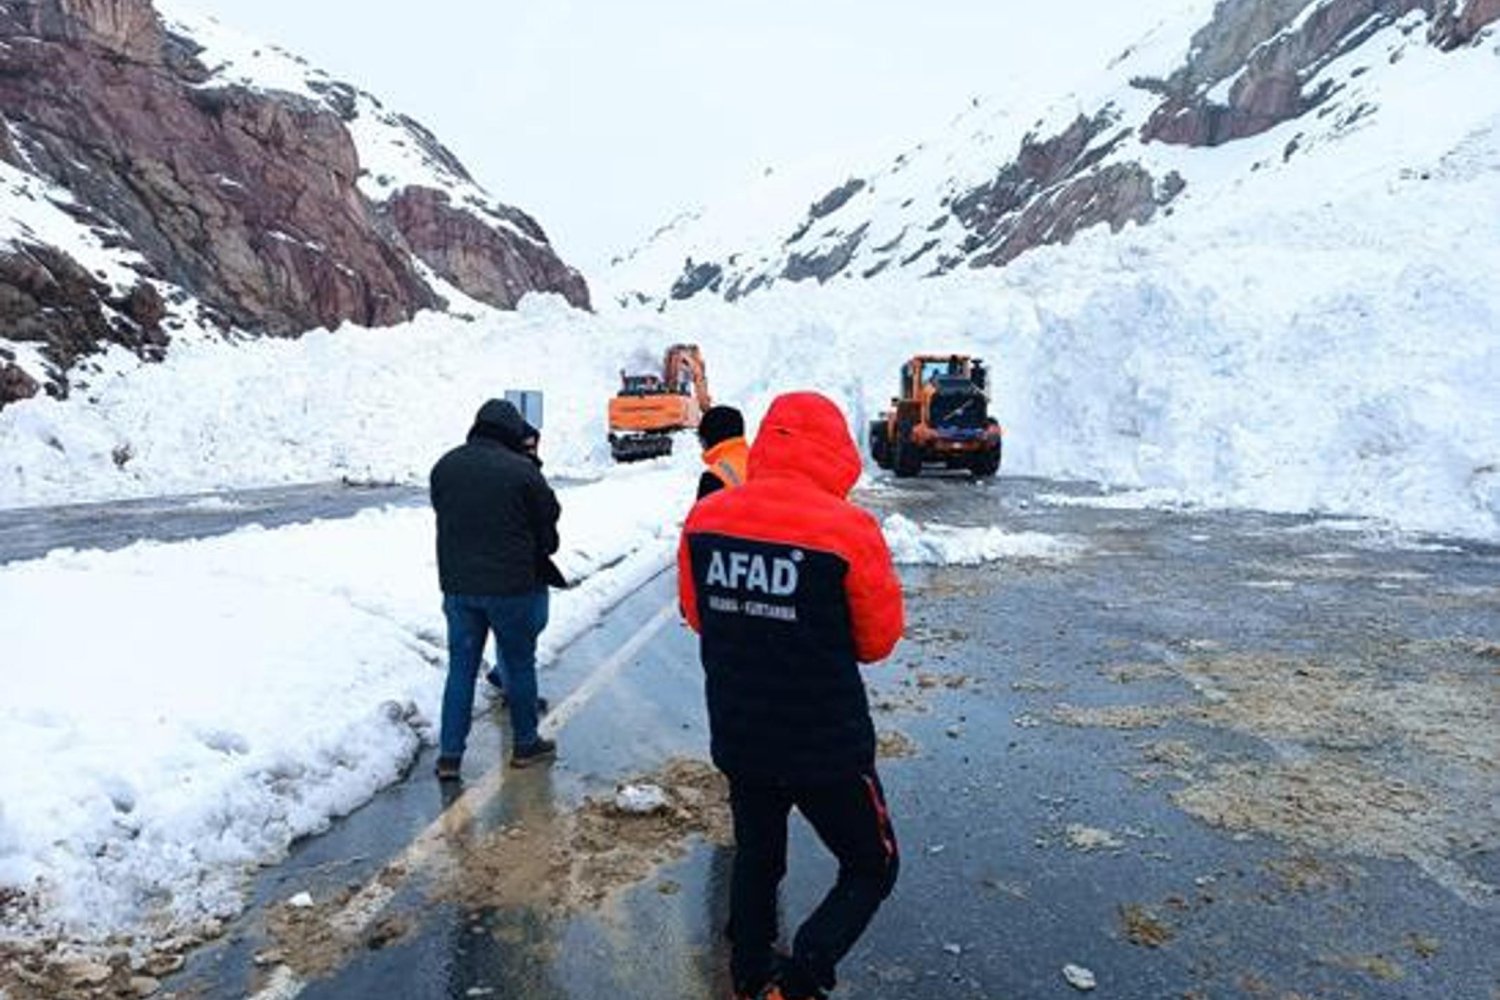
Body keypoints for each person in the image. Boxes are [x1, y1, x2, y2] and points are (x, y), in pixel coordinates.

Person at [678, 391, 905, 1000]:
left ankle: (750, 974)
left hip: (742, 732)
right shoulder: (849, 530)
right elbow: (877, 641)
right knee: (871, 864)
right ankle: (805, 973)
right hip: (826, 743)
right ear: (835, 452)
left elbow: (697, 614)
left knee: (757, 857)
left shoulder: (707, 518)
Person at [430, 399, 560, 779]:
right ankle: (525, 745)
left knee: (461, 670)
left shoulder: (445, 466)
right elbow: (548, 528)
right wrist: (532, 462)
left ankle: (449, 757)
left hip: (458, 588)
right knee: (519, 665)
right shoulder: (522, 472)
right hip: (512, 589)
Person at [696, 404, 750, 500]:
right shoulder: (762, 462)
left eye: (701, 439)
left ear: (710, 438)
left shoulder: (714, 477)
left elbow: (701, 515)